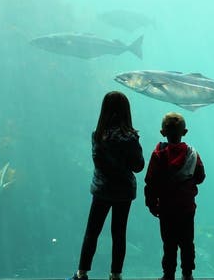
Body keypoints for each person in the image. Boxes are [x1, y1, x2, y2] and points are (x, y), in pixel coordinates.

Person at [68, 91, 145, 280]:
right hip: (123, 191)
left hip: (102, 189)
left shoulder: (98, 135)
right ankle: (116, 275)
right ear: (127, 111)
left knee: (92, 232)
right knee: (119, 234)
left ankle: (82, 273)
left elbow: (98, 163)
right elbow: (139, 166)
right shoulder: (130, 138)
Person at [145, 112, 206, 280]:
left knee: (169, 244)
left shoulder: (158, 154)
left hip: (166, 209)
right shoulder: (192, 154)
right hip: (186, 209)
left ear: (162, 132)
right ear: (184, 132)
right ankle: (187, 274)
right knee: (187, 243)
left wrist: (151, 203)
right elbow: (200, 177)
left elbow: (151, 181)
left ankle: (168, 275)